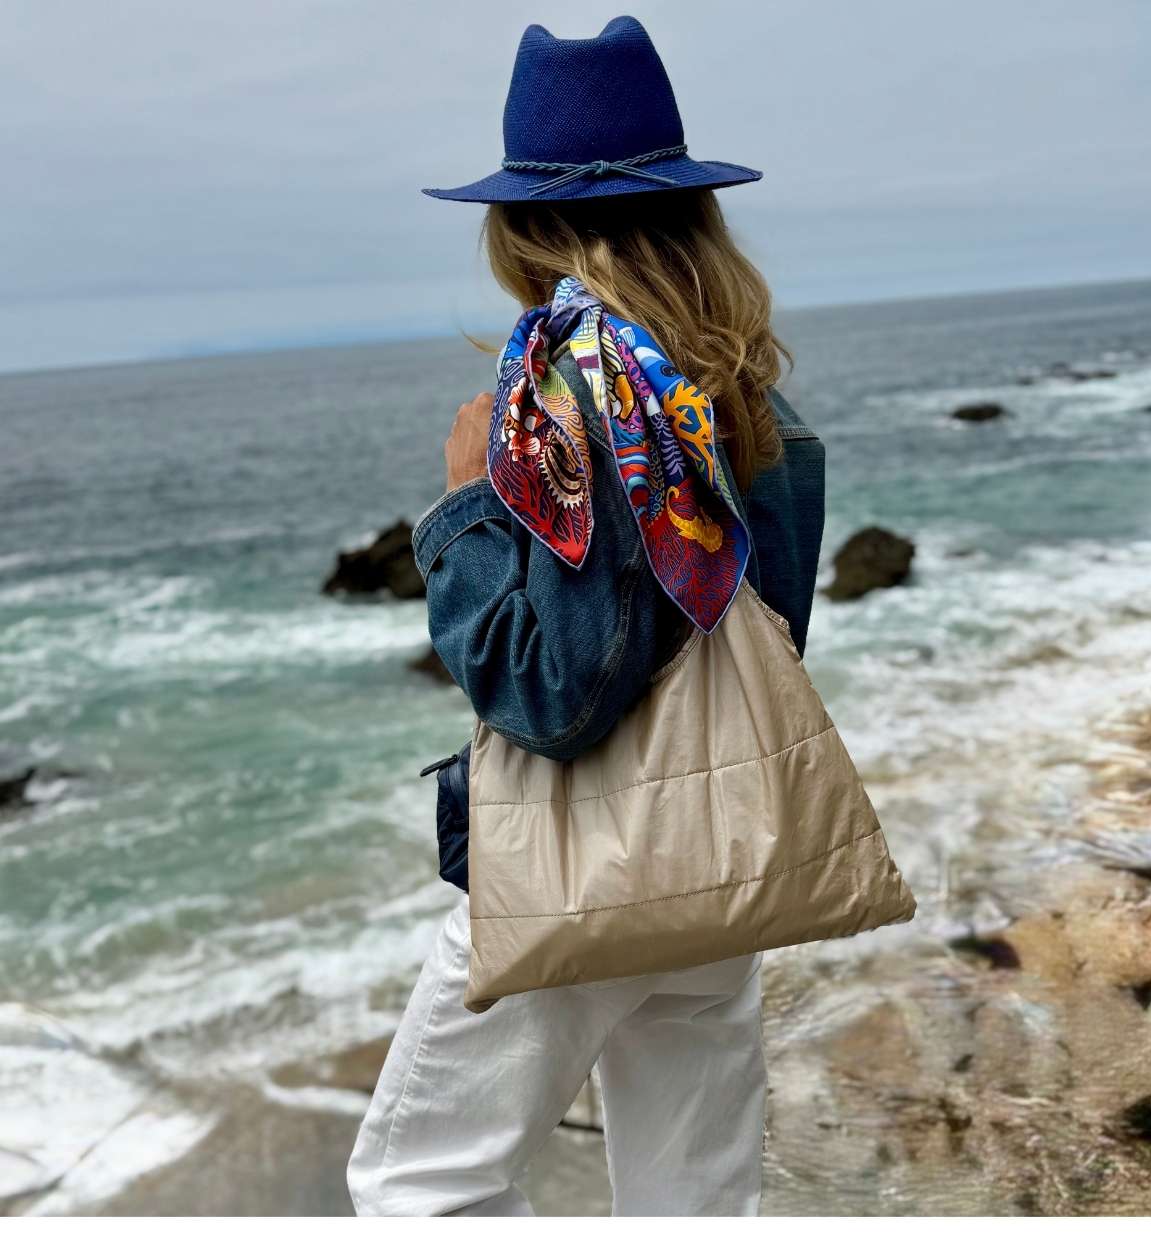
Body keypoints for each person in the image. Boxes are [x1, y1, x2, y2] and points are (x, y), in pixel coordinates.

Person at [347, 17, 826, 1216]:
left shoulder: (573, 400)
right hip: (719, 858)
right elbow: (752, 643)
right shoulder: (762, 411)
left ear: (522, 227)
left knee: (417, 1187)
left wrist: (464, 506)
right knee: (692, 1202)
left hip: (575, 861)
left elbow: (552, 694)